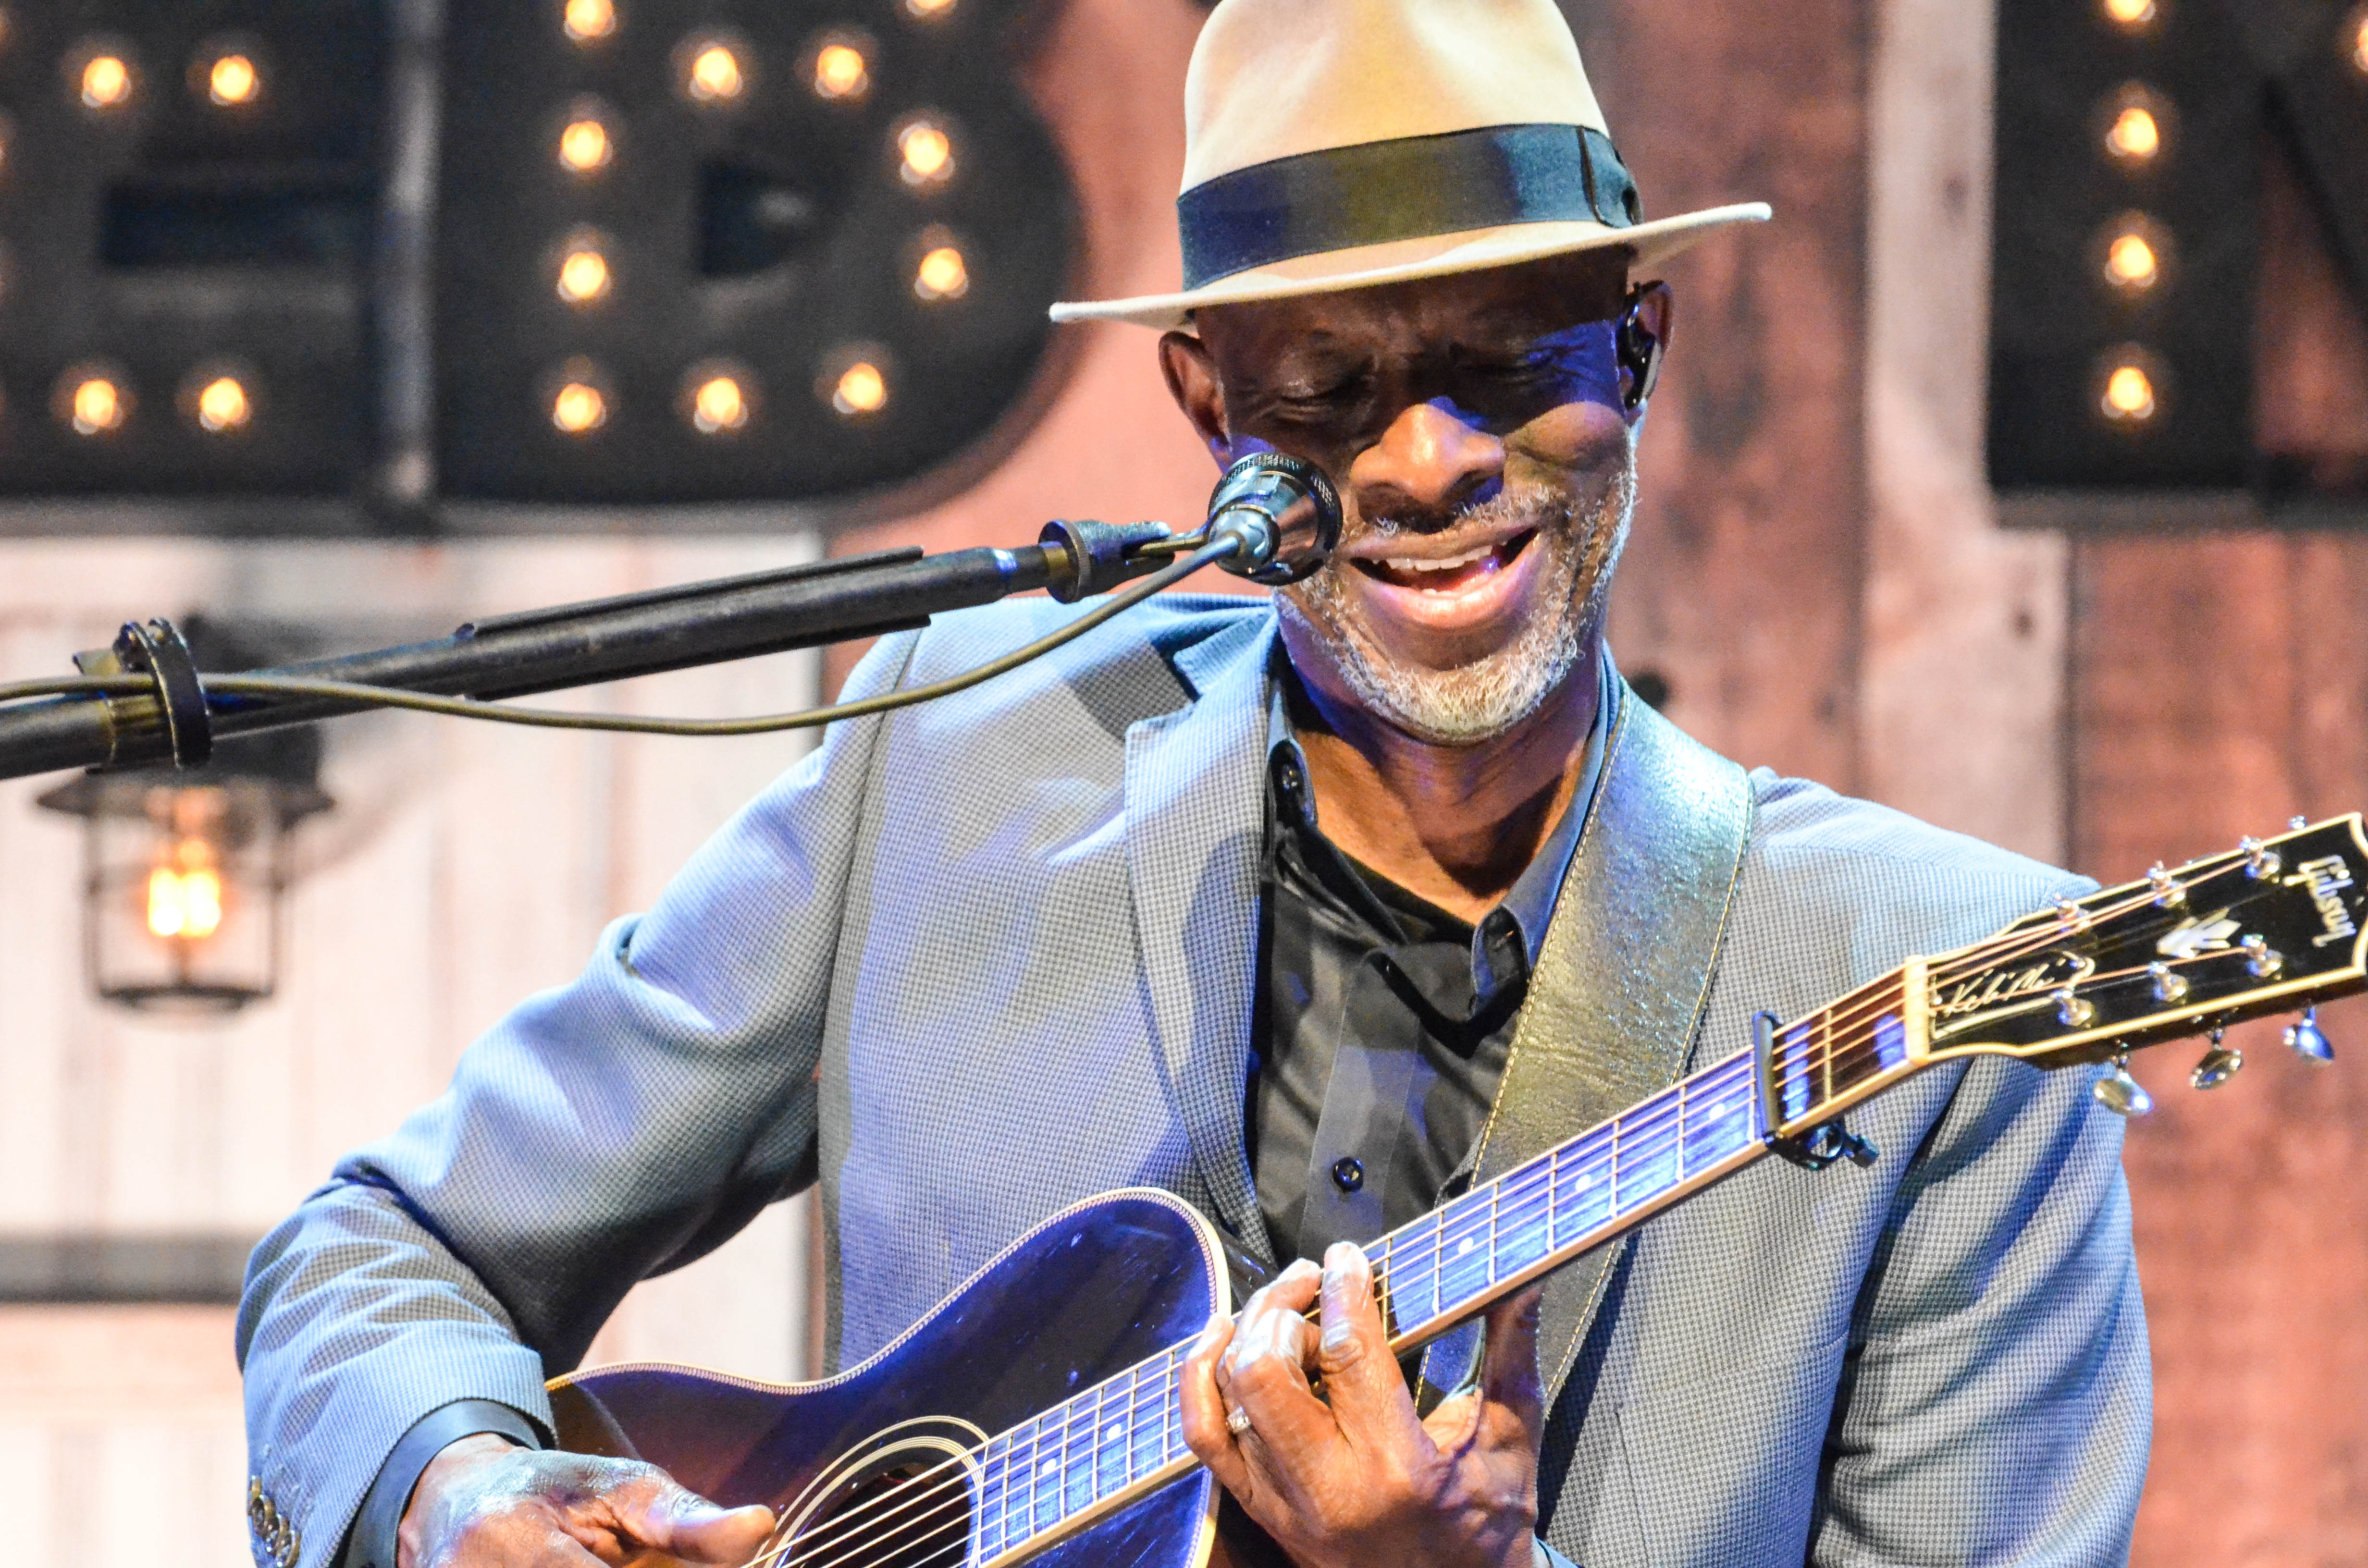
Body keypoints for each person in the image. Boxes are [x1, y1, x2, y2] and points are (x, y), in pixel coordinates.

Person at [236, 1, 2150, 1566]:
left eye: (1504, 362)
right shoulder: (953, 763)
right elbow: (379, 1251)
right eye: (1326, 387)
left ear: (1636, 354)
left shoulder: (1935, 987)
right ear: (1205, 407)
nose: (1424, 461)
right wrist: (451, 1489)